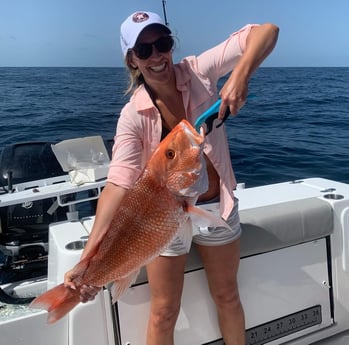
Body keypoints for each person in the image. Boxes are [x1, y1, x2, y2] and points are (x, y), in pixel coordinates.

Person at [64, 10, 279, 345]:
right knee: (164, 311)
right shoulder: (132, 116)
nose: (157, 56)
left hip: (214, 207)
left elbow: (266, 31)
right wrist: (88, 260)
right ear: (132, 60)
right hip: (160, 220)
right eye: (144, 50)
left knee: (228, 297)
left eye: (162, 43)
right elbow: (118, 184)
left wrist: (241, 75)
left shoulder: (197, 71)